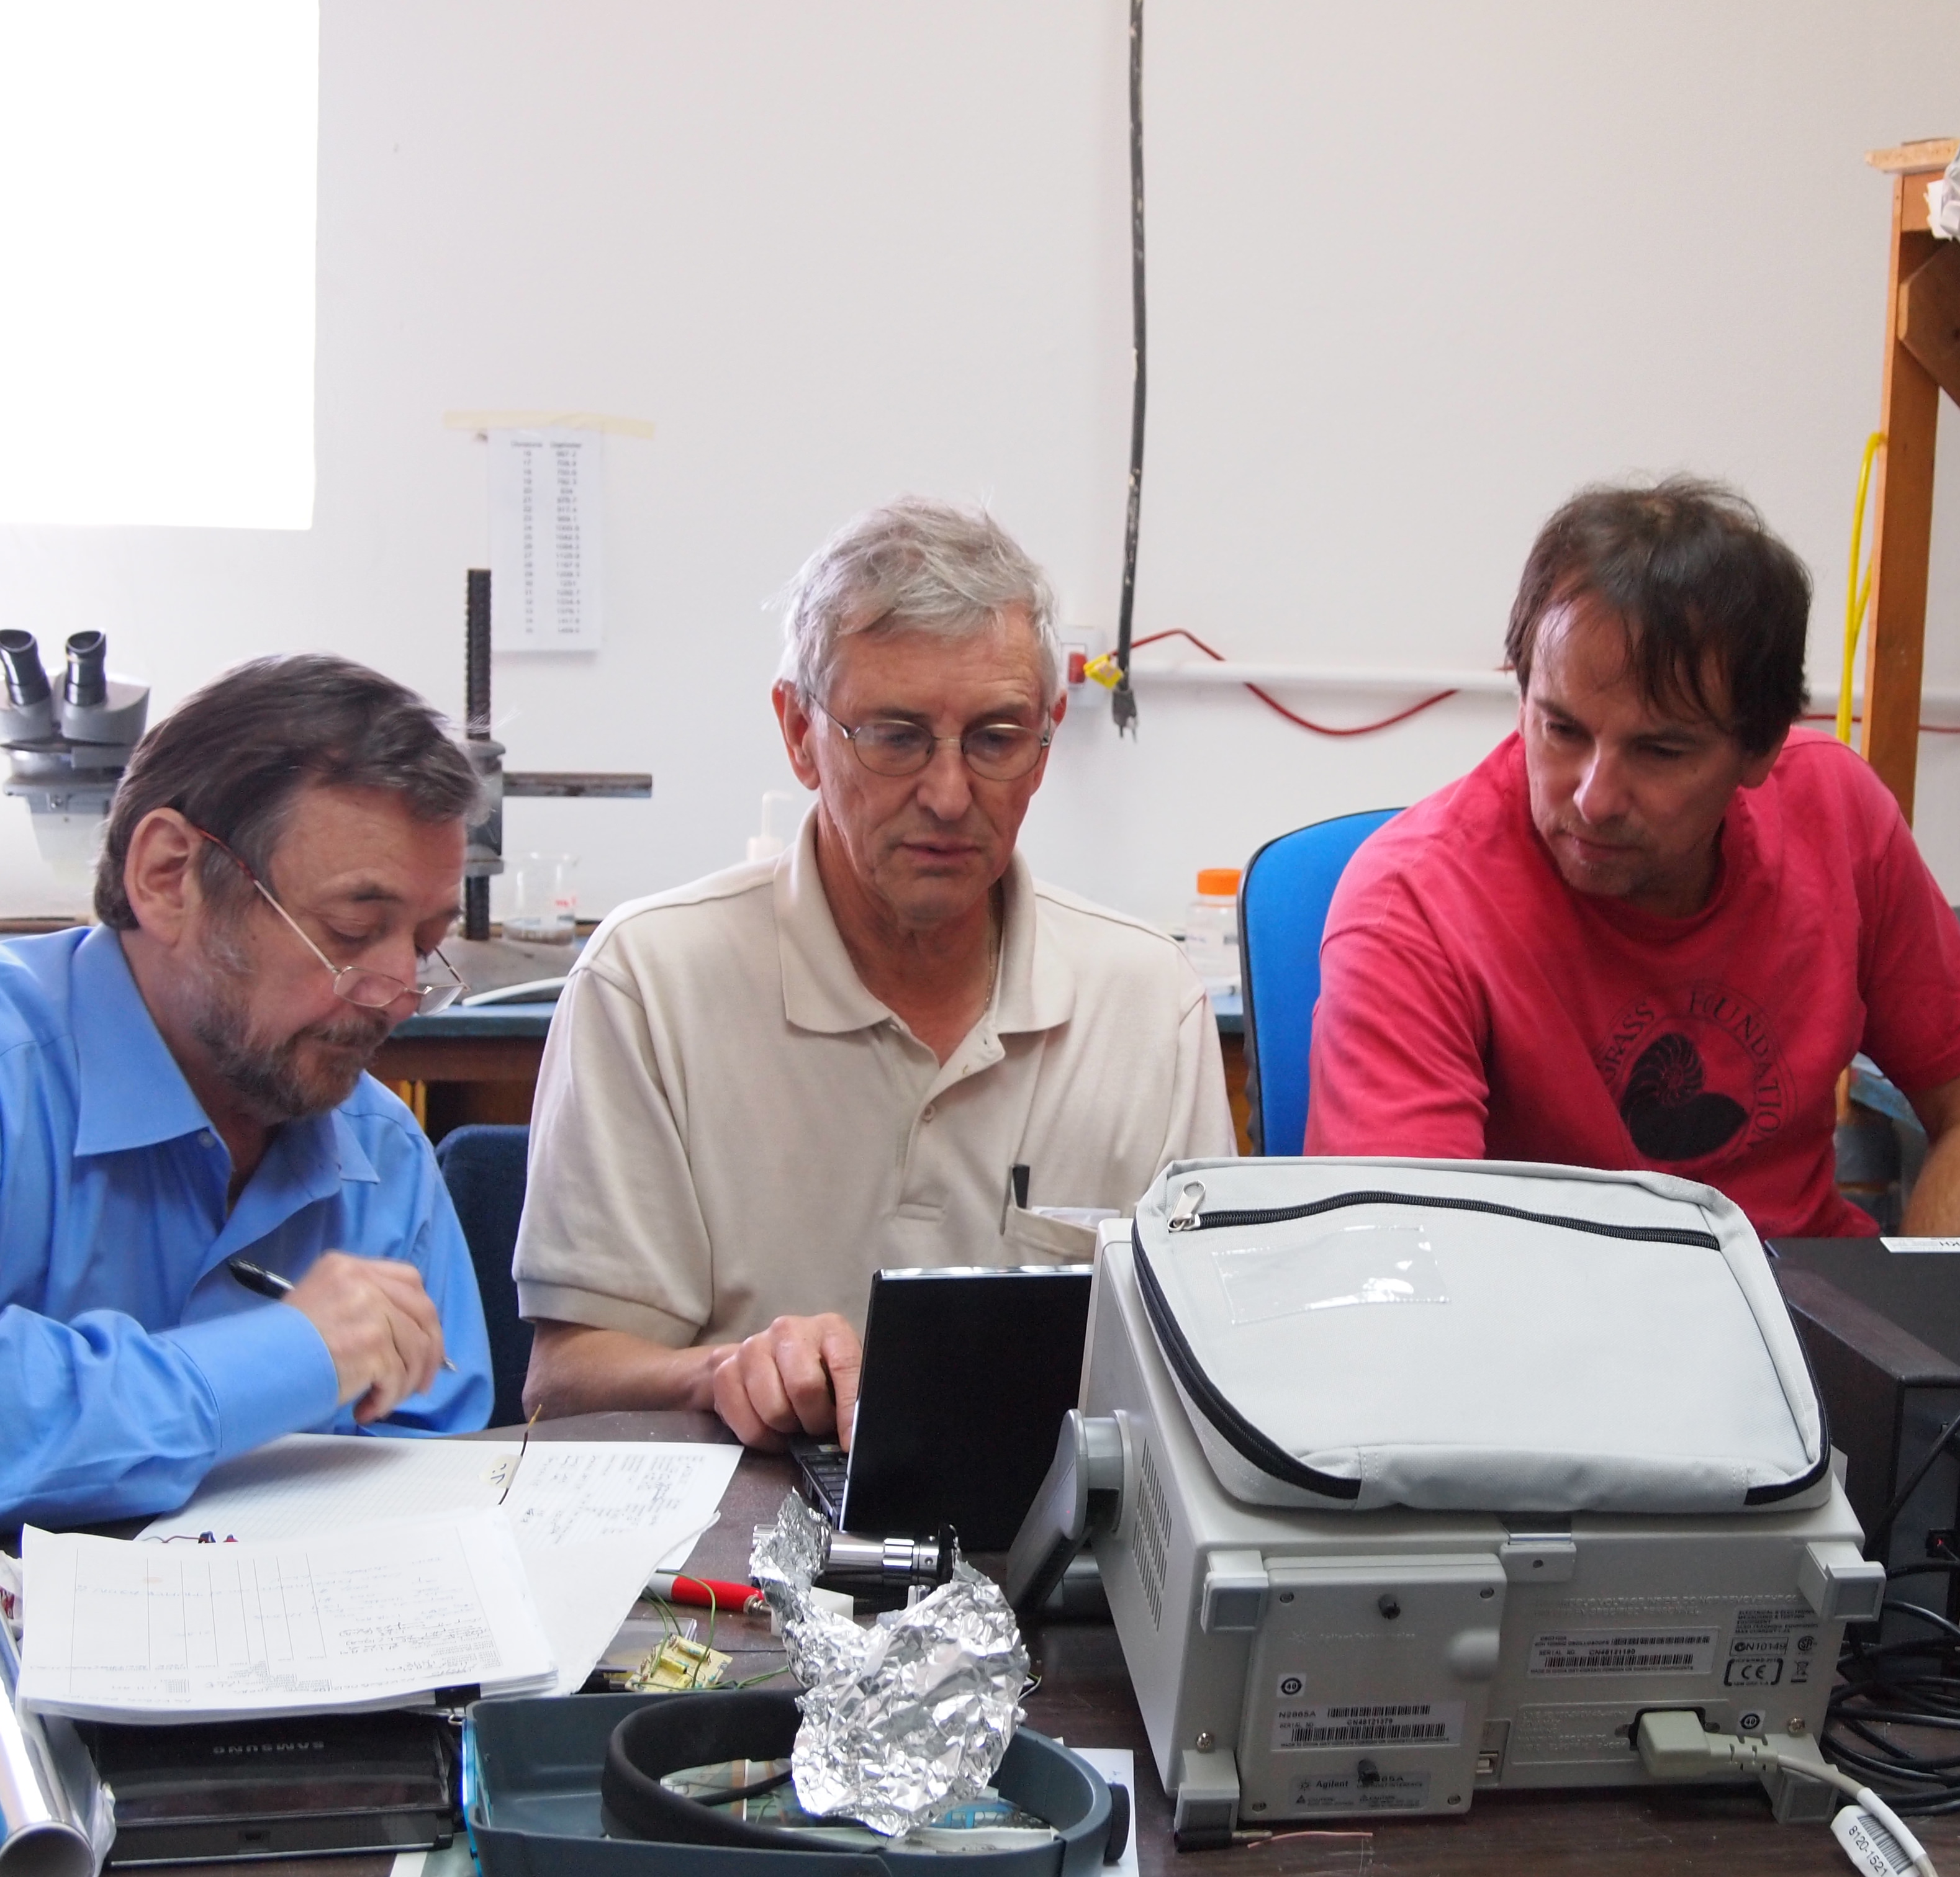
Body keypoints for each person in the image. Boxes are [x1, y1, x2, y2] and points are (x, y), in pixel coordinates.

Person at [516, 497, 1233, 1449]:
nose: (947, 794)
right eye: (894, 736)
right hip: (733, 1556)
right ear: (798, 733)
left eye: (996, 738)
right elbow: (566, 1383)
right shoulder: (649, 982)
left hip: (1046, 1554)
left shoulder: (1147, 1003)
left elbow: (1210, 1367)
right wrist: (724, 1373)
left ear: (1050, 733)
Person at [1305, 475, 1960, 1238]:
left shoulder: (1836, 812)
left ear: (1760, 750)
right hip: (1544, 1331)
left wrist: (1912, 1335)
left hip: (1807, 1319)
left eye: (1658, 751)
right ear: (1523, 695)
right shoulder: (1414, 902)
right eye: (1561, 730)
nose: (1594, 797)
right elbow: (1416, 1255)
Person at [0, 656, 494, 1529]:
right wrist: (284, 1359)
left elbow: (432, 1485)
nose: (398, 992)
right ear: (168, 876)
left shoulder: (380, 1154)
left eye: (423, 944)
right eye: (351, 929)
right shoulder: (16, 1072)